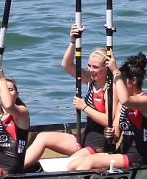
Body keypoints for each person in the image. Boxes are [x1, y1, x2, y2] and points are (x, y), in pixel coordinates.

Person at [20, 22, 112, 171]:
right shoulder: (90, 80)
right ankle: (16, 169)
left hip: (99, 144)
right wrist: (73, 41)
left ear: (106, 68)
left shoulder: (109, 89)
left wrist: (85, 107)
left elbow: (109, 121)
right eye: (89, 66)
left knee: (71, 164)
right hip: (83, 138)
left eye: (95, 67)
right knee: (43, 137)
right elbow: (66, 64)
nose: (91, 70)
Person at [69, 52, 147, 171]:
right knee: (74, 163)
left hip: (138, 157)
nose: (117, 85)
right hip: (122, 153)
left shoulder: (146, 102)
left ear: (134, 81)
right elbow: (115, 138)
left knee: (90, 161)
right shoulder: (122, 104)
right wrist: (110, 134)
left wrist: (115, 72)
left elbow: (126, 100)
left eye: (120, 82)